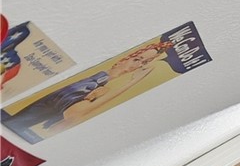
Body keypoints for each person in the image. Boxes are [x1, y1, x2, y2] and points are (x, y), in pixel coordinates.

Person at [3, 39, 174, 142]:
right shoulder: (89, 83)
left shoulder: (98, 84)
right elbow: (74, 115)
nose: (139, 65)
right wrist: (133, 82)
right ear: (125, 58)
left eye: (144, 63)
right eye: (138, 59)